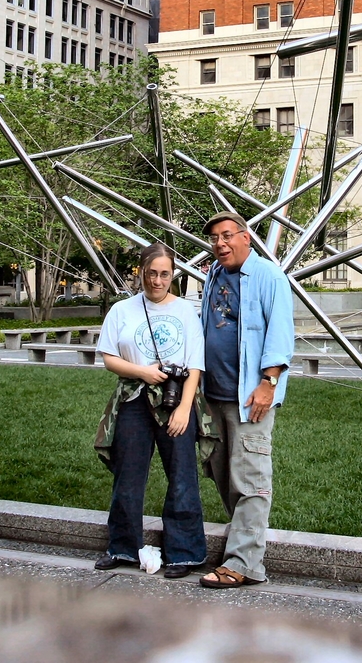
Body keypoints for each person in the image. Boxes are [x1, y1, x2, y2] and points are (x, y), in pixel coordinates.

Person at [93, 242, 214, 579]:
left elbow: (195, 366)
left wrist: (184, 410)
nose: (157, 281)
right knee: (128, 476)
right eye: (151, 273)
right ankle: (121, 546)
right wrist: (144, 372)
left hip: (176, 401)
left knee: (182, 476)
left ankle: (185, 553)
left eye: (164, 274)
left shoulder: (185, 311)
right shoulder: (122, 311)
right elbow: (109, 358)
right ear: (141, 272)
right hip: (134, 400)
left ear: (172, 275)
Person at [197, 211, 294, 589]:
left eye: (226, 236)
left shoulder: (269, 277)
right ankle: (242, 547)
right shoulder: (214, 276)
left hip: (249, 397)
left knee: (250, 478)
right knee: (222, 474)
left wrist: (268, 383)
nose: (220, 243)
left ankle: (243, 564)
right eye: (214, 238)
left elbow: (281, 334)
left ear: (246, 238)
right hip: (214, 394)